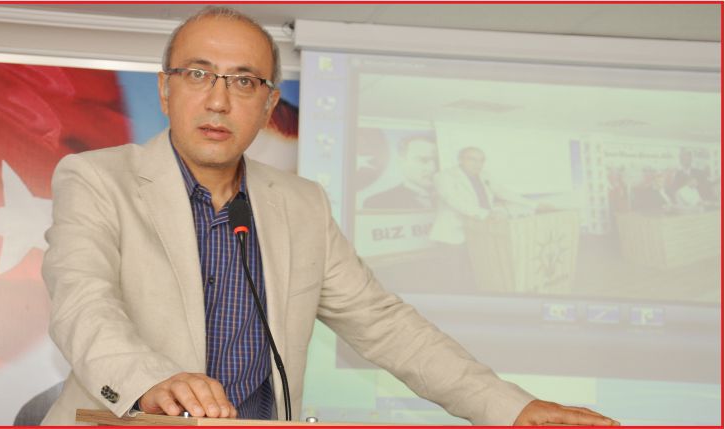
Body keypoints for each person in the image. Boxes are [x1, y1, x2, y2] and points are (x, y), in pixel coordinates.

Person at [40, 7, 618, 426]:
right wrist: (150, 381)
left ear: (269, 105)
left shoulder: (301, 205)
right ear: (165, 90)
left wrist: (511, 408)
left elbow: (385, 324)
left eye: (244, 81)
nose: (218, 100)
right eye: (197, 74)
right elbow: (83, 305)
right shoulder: (96, 179)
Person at [429, 147, 543, 245]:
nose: (478, 164)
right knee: (458, 264)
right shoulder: (444, 176)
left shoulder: (485, 175)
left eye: (481, 160)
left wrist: (536, 205)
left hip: (481, 231)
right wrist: (487, 214)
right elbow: (454, 200)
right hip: (454, 235)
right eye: (472, 159)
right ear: (460, 159)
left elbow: (502, 192)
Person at [363, 135, 437, 210]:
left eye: (437, 161)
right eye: (423, 160)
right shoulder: (377, 203)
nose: (432, 168)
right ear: (402, 162)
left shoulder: (443, 195)